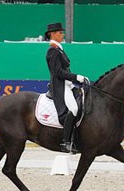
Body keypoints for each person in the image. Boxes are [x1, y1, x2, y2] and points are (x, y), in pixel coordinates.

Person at [45, 22, 87, 154]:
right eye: (60, 33)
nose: (62, 35)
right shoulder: (53, 50)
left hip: (67, 84)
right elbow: (58, 73)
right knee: (74, 109)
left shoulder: (59, 49)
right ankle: (66, 142)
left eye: (62, 32)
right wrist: (76, 77)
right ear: (52, 34)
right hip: (60, 86)